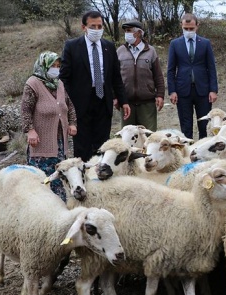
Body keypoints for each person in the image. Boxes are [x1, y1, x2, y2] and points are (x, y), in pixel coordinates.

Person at [59, 11, 130, 163]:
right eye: (93, 26)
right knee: (82, 146)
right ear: (84, 27)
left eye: (100, 26)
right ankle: (83, 177)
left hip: (103, 100)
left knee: (102, 144)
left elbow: (116, 76)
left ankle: (100, 175)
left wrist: (123, 101)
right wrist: (67, 102)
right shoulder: (72, 46)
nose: (97, 30)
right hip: (80, 103)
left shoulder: (109, 46)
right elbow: (64, 77)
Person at [21, 51, 77, 201]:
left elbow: (69, 106)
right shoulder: (33, 84)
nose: (56, 69)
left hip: (60, 143)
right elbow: (26, 109)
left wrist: (72, 123)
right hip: (41, 144)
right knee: (42, 180)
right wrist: (30, 130)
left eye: (58, 66)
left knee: (60, 177)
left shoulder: (59, 84)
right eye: (53, 65)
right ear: (43, 66)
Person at [167, 13, 218, 140]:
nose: (188, 31)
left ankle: (203, 154)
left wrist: (213, 90)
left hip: (203, 90)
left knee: (204, 126)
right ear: (181, 26)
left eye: (191, 28)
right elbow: (171, 69)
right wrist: (172, 91)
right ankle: (187, 153)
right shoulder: (175, 44)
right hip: (183, 91)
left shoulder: (205, 43)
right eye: (186, 29)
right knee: (186, 126)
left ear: (197, 26)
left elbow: (211, 67)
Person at [117, 20, 165, 131]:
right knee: (128, 138)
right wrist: (115, 97)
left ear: (138, 33)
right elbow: (115, 77)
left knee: (148, 136)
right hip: (126, 103)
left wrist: (160, 95)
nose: (126, 33)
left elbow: (158, 75)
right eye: (125, 31)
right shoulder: (120, 51)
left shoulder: (151, 51)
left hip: (147, 103)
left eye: (129, 31)